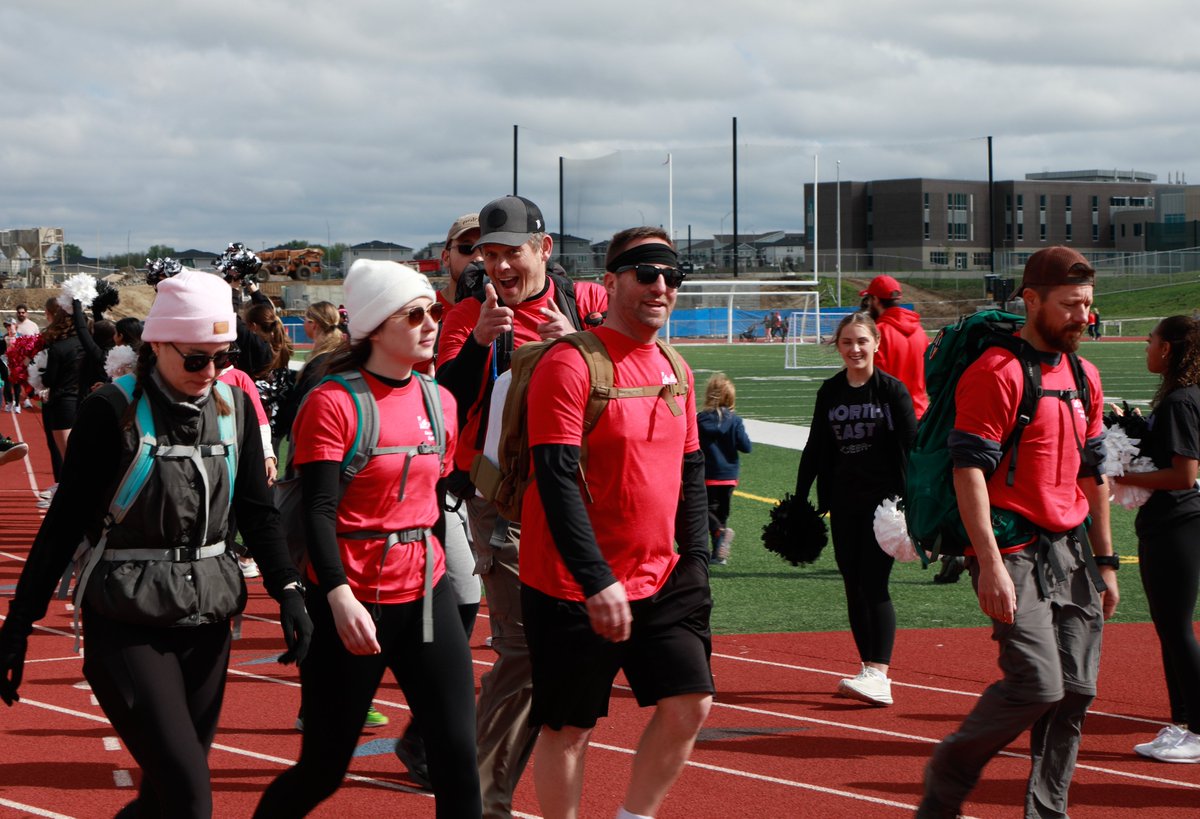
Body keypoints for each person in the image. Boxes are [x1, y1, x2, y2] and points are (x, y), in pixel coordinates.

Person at [0, 269, 312, 819]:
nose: (211, 372)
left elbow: (259, 513)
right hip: (125, 619)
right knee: (191, 798)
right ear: (157, 344)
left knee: (163, 799)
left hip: (208, 616)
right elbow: (63, 524)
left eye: (221, 356)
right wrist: (18, 626)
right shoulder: (108, 412)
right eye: (196, 359)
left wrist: (289, 591)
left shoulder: (231, 408)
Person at [254, 260, 480, 817]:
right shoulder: (334, 401)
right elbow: (319, 509)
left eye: (435, 312)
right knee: (323, 770)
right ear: (376, 327)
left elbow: (430, 502)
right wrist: (336, 595)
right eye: (415, 314)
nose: (431, 324)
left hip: (425, 597)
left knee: (458, 754)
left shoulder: (440, 402)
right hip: (352, 601)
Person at [918, 246, 1119, 818]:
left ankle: (1046, 813)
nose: (1083, 316)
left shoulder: (1085, 374)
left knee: (1077, 691)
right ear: (1031, 300)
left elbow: (1092, 474)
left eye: (1087, 304)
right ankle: (950, 774)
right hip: (1014, 548)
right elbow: (969, 473)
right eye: (1070, 305)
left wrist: (1107, 563)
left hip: (1073, 549)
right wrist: (990, 565)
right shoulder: (997, 374)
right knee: (1037, 685)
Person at [520, 226, 712, 819]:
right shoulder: (570, 363)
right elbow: (553, 478)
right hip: (570, 584)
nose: (661, 286)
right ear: (610, 282)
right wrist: (595, 577)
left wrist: (698, 558)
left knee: (690, 704)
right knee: (568, 729)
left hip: (662, 575)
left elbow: (692, 471)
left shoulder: (676, 366)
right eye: (646, 273)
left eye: (672, 276)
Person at [436, 195, 608, 818]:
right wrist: (478, 346)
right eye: (490, 254)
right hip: (501, 501)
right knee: (524, 647)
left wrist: (585, 347)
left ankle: (483, 779)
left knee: (558, 651)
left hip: (579, 500)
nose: (500, 267)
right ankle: (481, 799)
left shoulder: (583, 308)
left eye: (512, 252)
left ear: (544, 249)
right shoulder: (469, 315)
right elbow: (441, 407)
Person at [390, 213, 486, 789]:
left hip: (476, 478)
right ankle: (429, 729)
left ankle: (425, 730)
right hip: (420, 485)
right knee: (458, 598)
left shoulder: (497, 311)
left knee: (465, 598)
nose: (479, 260)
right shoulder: (429, 312)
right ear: (446, 255)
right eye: (468, 248)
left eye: (490, 249)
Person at [795, 312, 916, 706]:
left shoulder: (891, 391)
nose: (855, 349)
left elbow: (912, 448)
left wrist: (914, 500)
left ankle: (880, 673)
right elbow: (815, 447)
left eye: (862, 341)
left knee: (874, 581)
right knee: (853, 584)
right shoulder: (830, 391)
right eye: (847, 342)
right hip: (843, 502)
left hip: (885, 507)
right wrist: (800, 499)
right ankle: (868, 668)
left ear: (877, 344)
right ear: (838, 346)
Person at [1110, 316, 1200, 763]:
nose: (1146, 347)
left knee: (1175, 626)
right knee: (1170, 627)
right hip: (1172, 522)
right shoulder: (1181, 398)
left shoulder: (1182, 400)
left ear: (1168, 349)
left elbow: (1185, 473)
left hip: (1177, 522)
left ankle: (1197, 728)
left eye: (1151, 341)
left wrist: (1117, 471)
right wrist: (1137, 430)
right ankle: (1182, 723)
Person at [697, 372, 752, 565]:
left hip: (707, 474)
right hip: (729, 475)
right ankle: (719, 554)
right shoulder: (735, 421)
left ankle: (718, 539)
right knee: (722, 513)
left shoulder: (700, 419)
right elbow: (746, 447)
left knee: (704, 510)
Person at [859, 274, 929, 419]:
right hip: (920, 413)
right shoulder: (920, 331)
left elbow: (873, 381)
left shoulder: (879, 333)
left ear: (876, 300)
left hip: (890, 416)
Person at [38, 298, 87, 492]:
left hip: (61, 403)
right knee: (78, 450)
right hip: (82, 401)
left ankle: (68, 491)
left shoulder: (58, 348)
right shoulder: (85, 344)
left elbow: (49, 380)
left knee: (65, 453)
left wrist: (37, 372)